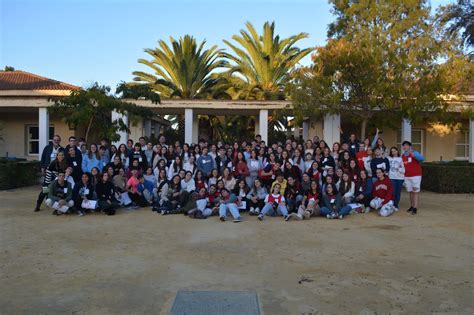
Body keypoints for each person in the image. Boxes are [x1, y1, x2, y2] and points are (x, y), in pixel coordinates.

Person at [401, 141, 424, 214]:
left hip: (416, 175)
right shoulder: (403, 155)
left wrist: (414, 155)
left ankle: (415, 207)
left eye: (406, 145)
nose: (405, 147)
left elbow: (422, 159)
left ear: (410, 146)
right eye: (404, 145)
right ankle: (411, 206)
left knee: (415, 191)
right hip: (407, 176)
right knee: (410, 191)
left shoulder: (414, 153)